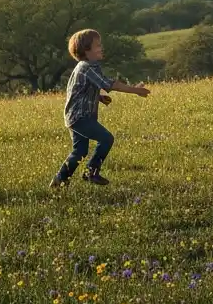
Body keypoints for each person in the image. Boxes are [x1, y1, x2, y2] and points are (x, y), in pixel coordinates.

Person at [50, 28, 151, 188]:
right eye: (97, 45)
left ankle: (59, 181)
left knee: (80, 152)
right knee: (106, 139)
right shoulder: (87, 67)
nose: (101, 48)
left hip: (74, 117)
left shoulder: (86, 67)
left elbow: (81, 90)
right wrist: (135, 90)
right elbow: (109, 84)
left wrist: (99, 97)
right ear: (86, 50)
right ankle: (91, 172)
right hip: (80, 118)